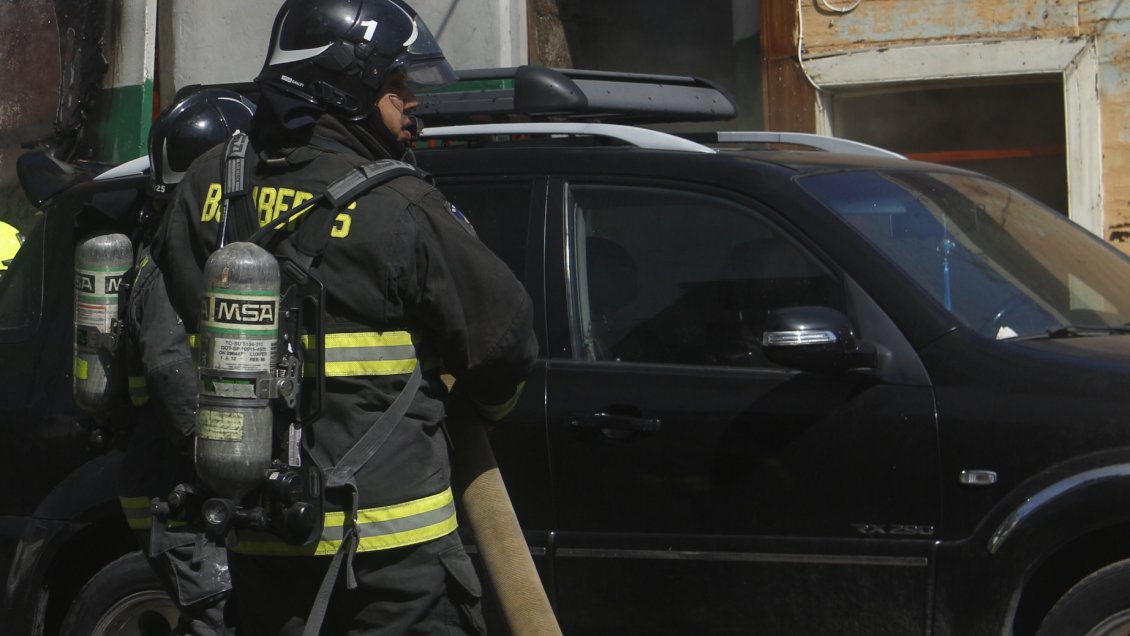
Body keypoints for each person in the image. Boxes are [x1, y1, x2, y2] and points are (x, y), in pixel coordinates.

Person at [150, 1, 538, 634]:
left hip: (258, 540)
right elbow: (506, 342)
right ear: (344, 86)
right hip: (389, 557)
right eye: (396, 85)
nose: (412, 101)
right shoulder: (401, 206)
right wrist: (481, 412)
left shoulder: (202, 187)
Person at [118, 87, 255, 636]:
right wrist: (234, 461)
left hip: (187, 488)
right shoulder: (164, 269)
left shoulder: (206, 261)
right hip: (173, 491)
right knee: (219, 621)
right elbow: (170, 370)